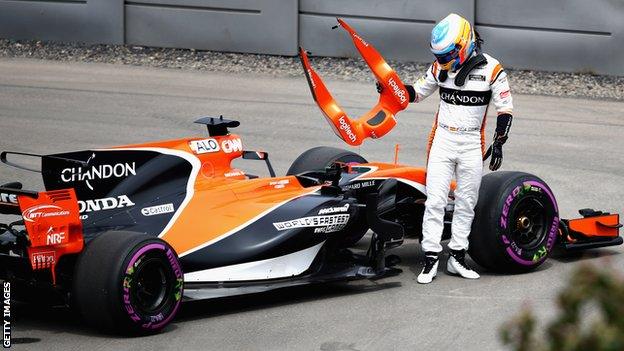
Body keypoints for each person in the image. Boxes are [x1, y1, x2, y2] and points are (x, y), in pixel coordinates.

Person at [378, 13, 513, 284]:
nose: (442, 61)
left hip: (472, 142)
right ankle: (429, 260)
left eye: (447, 54)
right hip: (442, 140)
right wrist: (391, 89)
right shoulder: (439, 68)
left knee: (466, 203)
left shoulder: (492, 69)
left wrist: (499, 142)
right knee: (436, 200)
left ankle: (457, 259)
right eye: (438, 56)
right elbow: (416, 93)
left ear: (464, 45)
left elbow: (505, 109)